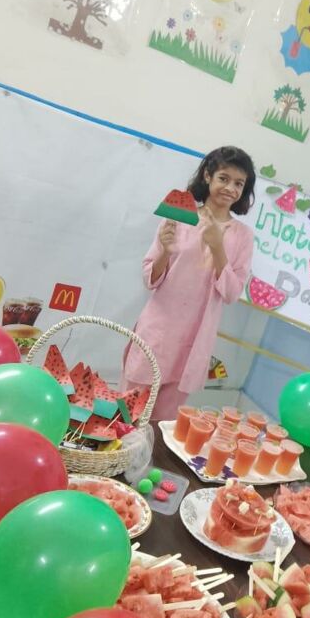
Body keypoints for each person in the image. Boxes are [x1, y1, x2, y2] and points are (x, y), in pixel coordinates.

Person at [122, 146, 255, 420]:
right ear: (207, 176)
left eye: (239, 183)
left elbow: (231, 293)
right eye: (224, 178)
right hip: (156, 333)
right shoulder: (180, 216)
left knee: (161, 427)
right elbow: (150, 278)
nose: (230, 188)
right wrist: (165, 252)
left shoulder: (242, 236)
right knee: (126, 416)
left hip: (194, 343)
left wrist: (218, 247)